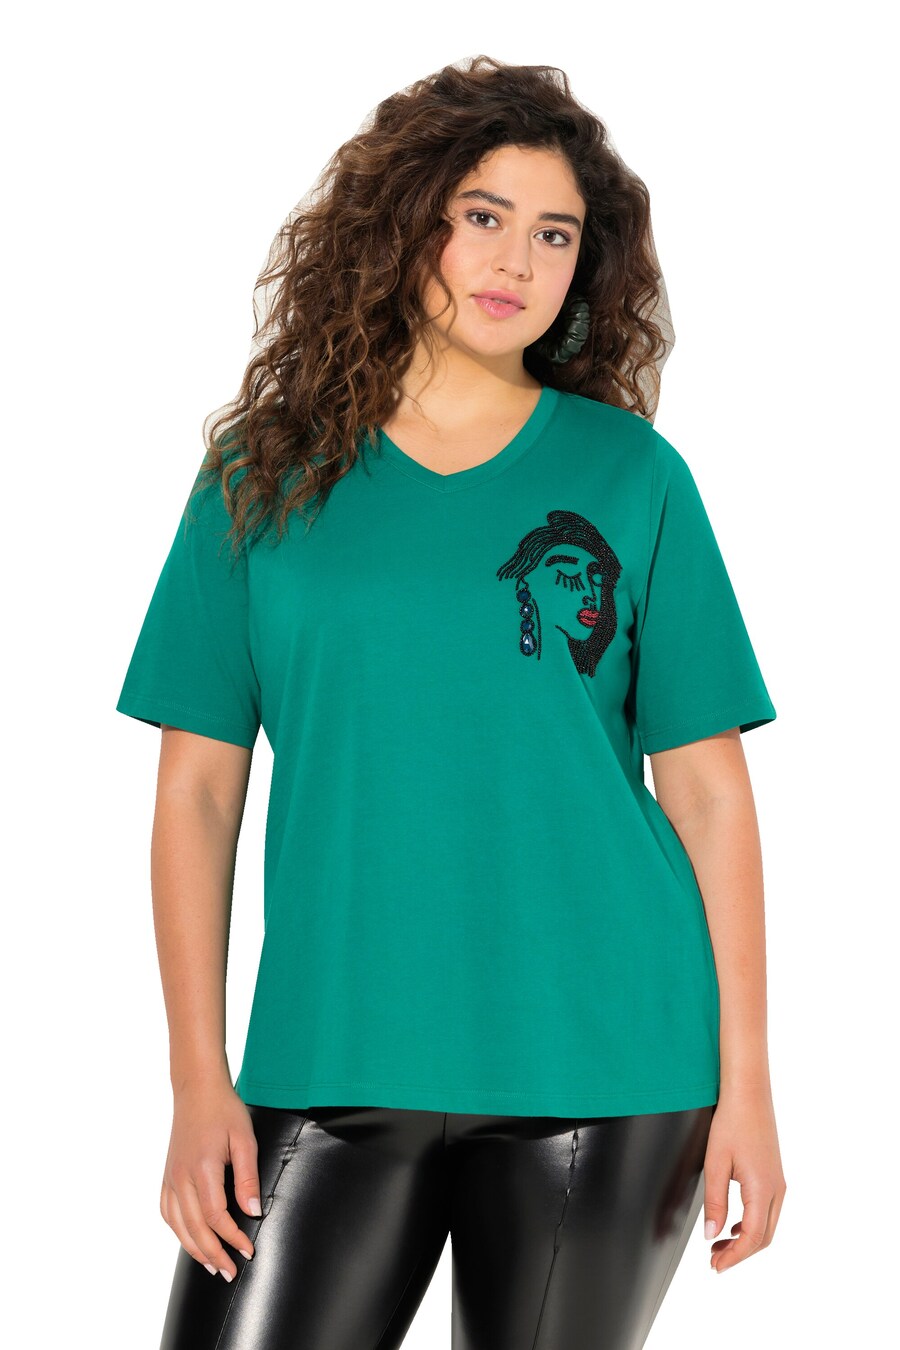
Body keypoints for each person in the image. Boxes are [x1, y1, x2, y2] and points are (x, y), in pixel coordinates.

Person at [116, 54, 786, 1350]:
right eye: (483, 215)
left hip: (605, 1064)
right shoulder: (263, 477)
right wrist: (199, 1080)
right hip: (326, 1055)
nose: (517, 261)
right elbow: (196, 791)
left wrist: (748, 1085)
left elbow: (707, 792)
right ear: (403, 220)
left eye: (556, 234)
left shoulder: (634, 475)